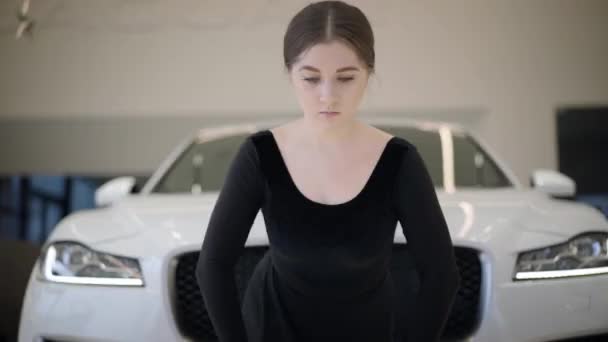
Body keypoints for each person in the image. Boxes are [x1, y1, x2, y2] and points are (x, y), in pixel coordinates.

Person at [195, 1, 460, 341]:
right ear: (290, 74)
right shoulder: (260, 155)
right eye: (311, 78)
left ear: (368, 73)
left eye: (346, 78)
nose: (328, 96)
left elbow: (441, 274)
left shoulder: (399, 161)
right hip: (272, 327)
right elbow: (212, 266)